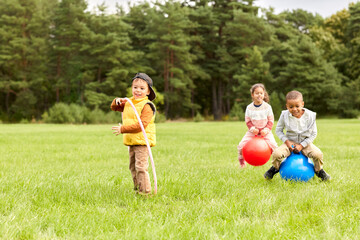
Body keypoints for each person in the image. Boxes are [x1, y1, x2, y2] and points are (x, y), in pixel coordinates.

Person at [264, 90, 331, 181]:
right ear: (287, 106)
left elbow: (313, 134)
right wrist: (287, 142)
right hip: (290, 143)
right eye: (291, 107)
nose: (294, 109)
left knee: (318, 154)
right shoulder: (284, 115)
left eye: (297, 106)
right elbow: (278, 130)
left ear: (302, 104)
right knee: (276, 154)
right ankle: (275, 168)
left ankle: (319, 171)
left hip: (305, 143)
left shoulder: (310, 116)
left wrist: (302, 145)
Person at [111, 73, 157, 195]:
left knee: (141, 167)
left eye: (142, 88)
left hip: (142, 141)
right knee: (133, 167)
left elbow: (141, 126)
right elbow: (115, 107)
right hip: (132, 141)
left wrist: (123, 129)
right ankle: (137, 188)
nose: (138, 90)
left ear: (148, 91)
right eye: (135, 87)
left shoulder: (147, 106)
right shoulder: (128, 102)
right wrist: (117, 101)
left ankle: (145, 192)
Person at [237, 83, 278, 168]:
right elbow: (248, 121)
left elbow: (271, 120)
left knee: (274, 146)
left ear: (264, 94)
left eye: (261, 93)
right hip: (252, 132)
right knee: (241, 145)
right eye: (257, 93)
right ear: (252, 95)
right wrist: (252, 129)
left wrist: (266, 130)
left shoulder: (267, 107)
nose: (259, 95)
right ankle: (242, 162)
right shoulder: (249, 108)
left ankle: (276, 164)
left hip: (265, 132)